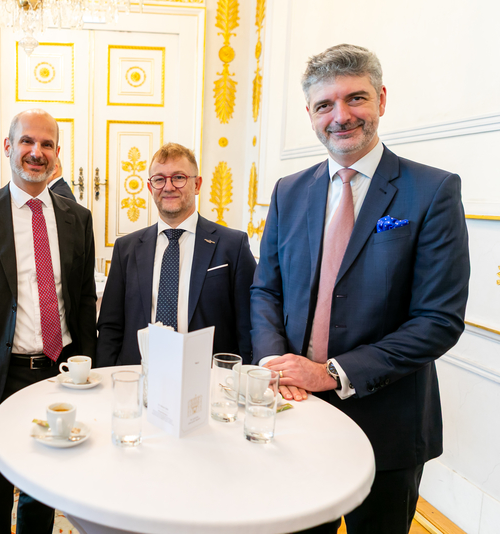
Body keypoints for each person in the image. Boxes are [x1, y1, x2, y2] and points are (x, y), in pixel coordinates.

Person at [250, 44, 469, 533]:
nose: (341, 116)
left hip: (387, 426)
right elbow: (266, 290)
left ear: (381, 100)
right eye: (325, 105)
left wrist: (330, 373)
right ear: (310, 114)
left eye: (355, 98)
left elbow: (438, 320)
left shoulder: (432, 191)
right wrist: (274, 362)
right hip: (294, 413)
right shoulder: (289, 190)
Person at [0, 109, 96, 533]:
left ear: (57, 153)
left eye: (47, 144)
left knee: (43, 494)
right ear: (8, 146)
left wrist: (87, 371)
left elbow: (84, 302)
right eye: (27, 141)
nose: (36, 152)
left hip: (59, 375)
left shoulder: (78, 218)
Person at [97, 142, 256, 366]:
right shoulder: (126, 248)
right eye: (159, 179)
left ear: (197, 184)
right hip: (138, 373)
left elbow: (249, 325)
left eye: (179, 177)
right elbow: (110, 327)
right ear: (150, 187)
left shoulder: (233, 245)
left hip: (207, 375)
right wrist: (107, 376)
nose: (168, 187)